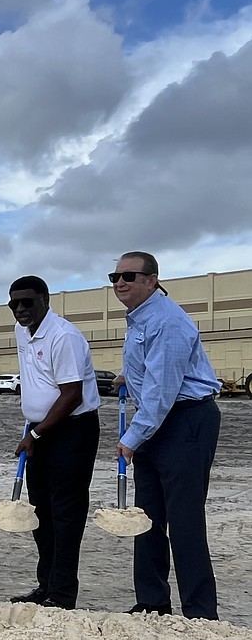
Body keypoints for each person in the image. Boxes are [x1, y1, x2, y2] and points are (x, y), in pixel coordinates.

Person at [112, 251, 221, 620]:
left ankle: (200, 613)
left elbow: (163, 391)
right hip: (156, 420)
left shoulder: (167, 320)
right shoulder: (140, 317)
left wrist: (131, 439)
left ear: (152, 280)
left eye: (129, 275)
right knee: (147, 517)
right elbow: (152, 370)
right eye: (115, 277)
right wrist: (128, 376)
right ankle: (152, 602)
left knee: (184, 519)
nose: (120, 282)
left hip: (184, 421)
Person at [7, 275, 100, 610]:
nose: (20, 309)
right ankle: (46, 585)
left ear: (45, 300)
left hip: (71, 431)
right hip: (40, 431)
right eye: (14, 303)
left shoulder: (64, 337)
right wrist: (34, 428)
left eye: (27, 302)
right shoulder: (22, 330)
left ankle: (62, 594)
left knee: (65, 515)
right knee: (41, 513)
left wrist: (35, 434)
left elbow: (72, 395)